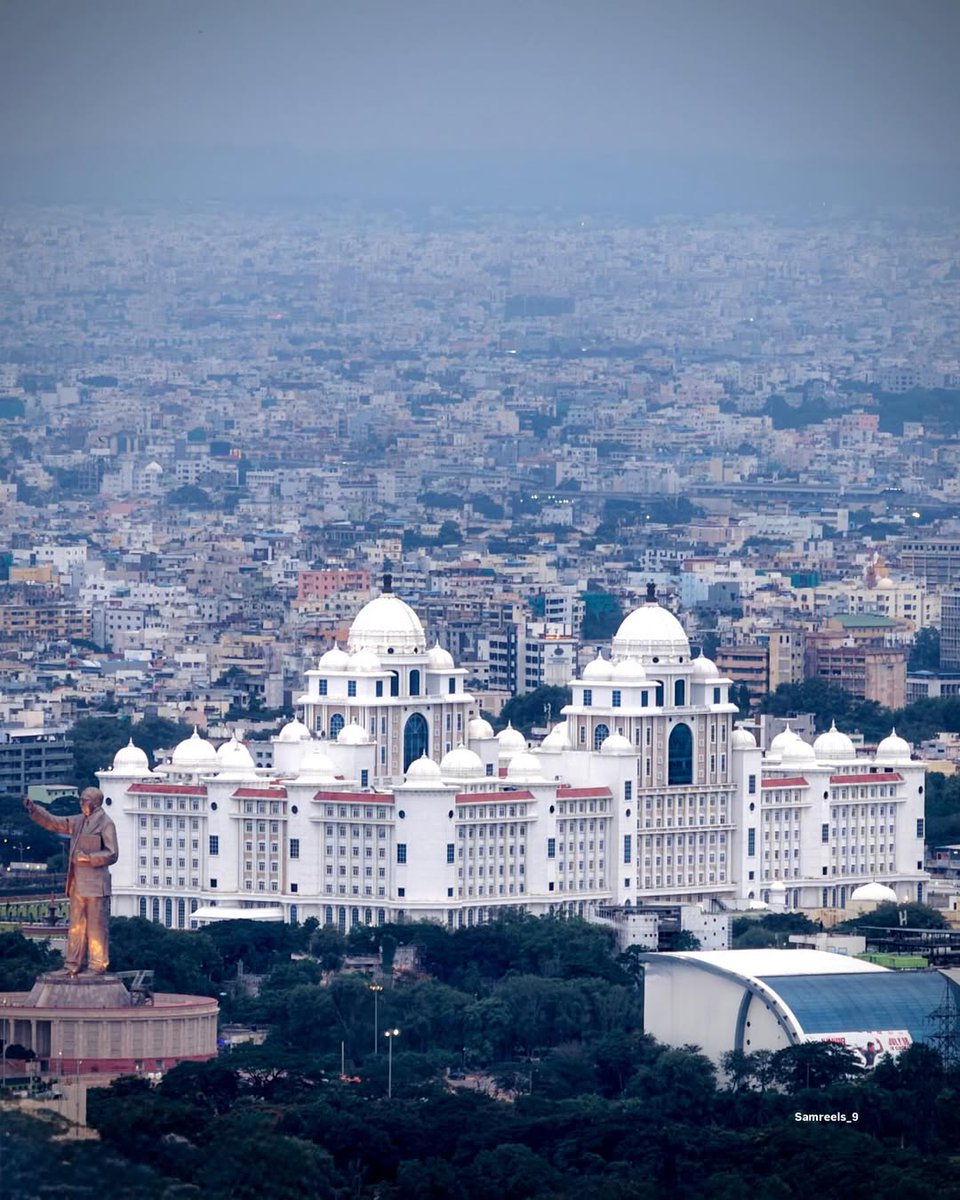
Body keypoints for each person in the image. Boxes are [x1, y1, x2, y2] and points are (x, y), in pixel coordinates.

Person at [23, 788, 118, 976]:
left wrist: (88, 858)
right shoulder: (79, 821)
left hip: (96, 885)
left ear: (95, 802)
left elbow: (112, 853)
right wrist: (35, 809)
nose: (81, 803)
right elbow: (56, 823)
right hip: (77, 883)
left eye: (84, 800)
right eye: (81, 800)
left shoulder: (106, 823)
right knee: (76, 926)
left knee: (96, 927)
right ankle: (72, 964)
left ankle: (97, 965)